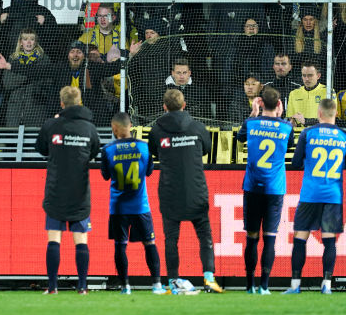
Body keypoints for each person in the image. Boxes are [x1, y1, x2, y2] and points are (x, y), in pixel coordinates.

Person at [148, 89, 223, 295]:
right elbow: (207, 149)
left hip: (170, 191)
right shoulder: (197, 127)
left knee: (171, 239)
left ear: (164, 107)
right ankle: (209, 279)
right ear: (184, 105)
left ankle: (173, 281)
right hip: (196, 190)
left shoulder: (156, 130)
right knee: (205, 236)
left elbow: (154, 152)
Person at [284, 97, 346, 294]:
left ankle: (295, 285)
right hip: (332, 195)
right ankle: (327, 285)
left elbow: (295, 163)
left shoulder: (308, 133)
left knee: (300, 238)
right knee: (329, 240)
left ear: (319, 113)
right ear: (336, 114)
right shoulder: (344, 136)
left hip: (310, 194)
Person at [35, 85, 100, 295]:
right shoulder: (89, 128)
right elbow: (94, 152)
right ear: (79, 102)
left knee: (54, 238)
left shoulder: (51, 125)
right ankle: (82, 287)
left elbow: (40, 148)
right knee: (80, 238)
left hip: (56, 188)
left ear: (61, 103)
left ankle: (52, 287)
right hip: (80, 190)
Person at [236, 87, 294, 294]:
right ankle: (264, 286)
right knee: (270, 237)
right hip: (274, 190)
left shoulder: (251, 123)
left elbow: (239, 138)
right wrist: (279, 118)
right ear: (279, 104)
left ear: (260, 103)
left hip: (252, 187)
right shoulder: (286, 127)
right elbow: (289, 146)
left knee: (251, 238)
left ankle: (249, 285)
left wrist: (253, 114)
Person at [100, 111, 163, 295]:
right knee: (149, 243)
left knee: (120, 245)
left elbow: (105, 176)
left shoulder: (108, 150)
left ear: (114, 128)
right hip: (140, 206)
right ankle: (157, 285)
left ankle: (125, 286)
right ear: (130, 126)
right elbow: (149, 172)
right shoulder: (143, 147)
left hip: (118, 207)